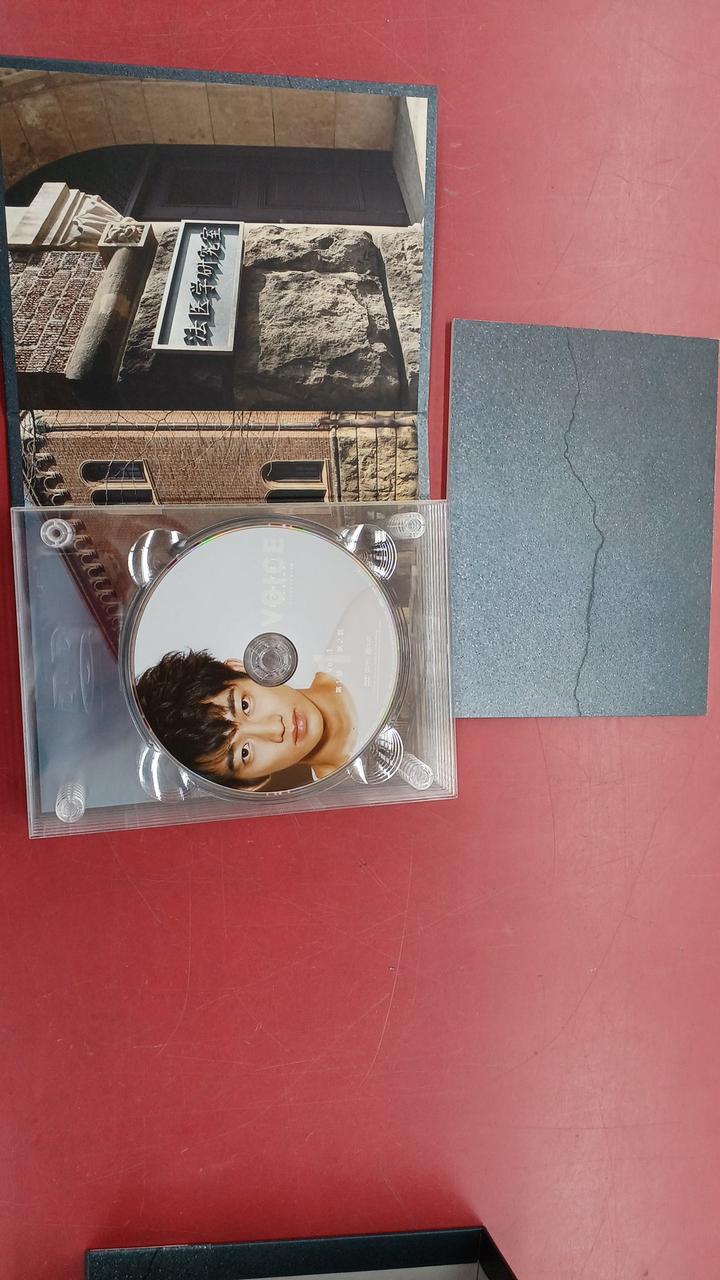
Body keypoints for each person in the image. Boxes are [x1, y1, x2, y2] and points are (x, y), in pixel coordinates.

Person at [135, 649, 358, 790]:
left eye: (244, 705)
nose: (275, 728)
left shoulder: (364, 629)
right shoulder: (343, 817)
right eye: (244, 753)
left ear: (242, 668)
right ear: (249, 785)